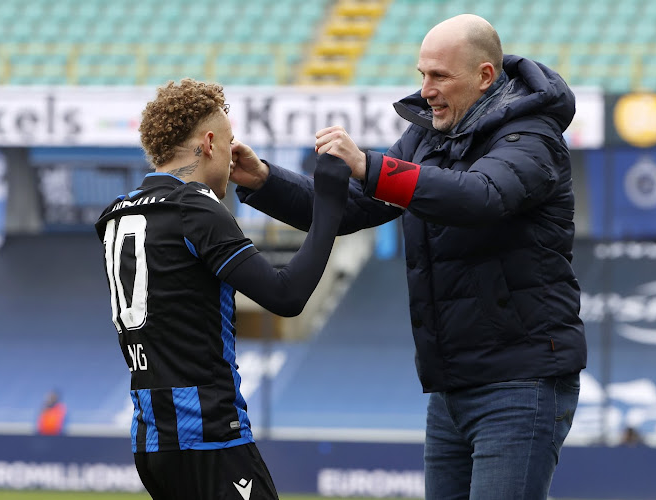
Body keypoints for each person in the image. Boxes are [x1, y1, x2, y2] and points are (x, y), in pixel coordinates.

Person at [231, 14, 587, 500]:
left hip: (519, 382)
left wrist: (370, 166)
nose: (426, 90)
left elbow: (481, 196)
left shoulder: (532, 136)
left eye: (439, 76)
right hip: (450, 387)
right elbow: (351, 208)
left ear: (485, 76)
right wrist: (263, 180)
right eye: (422, 74)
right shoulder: (428, 137)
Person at [94, 79, 350, 500]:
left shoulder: (115, 214)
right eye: (230, 144)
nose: (233, 160)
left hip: (151, 443)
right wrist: (329, 206)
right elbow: (285, 296)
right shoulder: (194, 206)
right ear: (209, 142)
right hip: (209, 436)